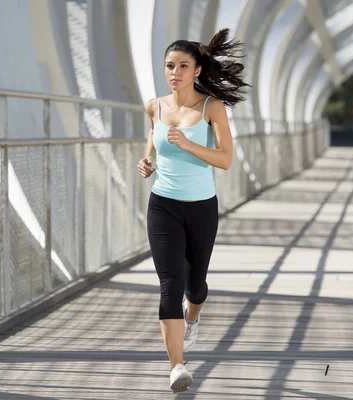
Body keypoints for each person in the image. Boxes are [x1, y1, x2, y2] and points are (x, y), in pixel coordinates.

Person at [136, 28, 248, 393]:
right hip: (163, 205)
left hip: (201, 208)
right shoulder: (155, 106)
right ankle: (177, 366)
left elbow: (226, 159)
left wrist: (187, 143)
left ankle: (193, 315)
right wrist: (148, 161)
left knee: (195, 286)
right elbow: (151, 140)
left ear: (198, 70)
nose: (175, 72)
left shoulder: (211, 107)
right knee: (170, 285)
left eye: (184, 65)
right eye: (170, 66)